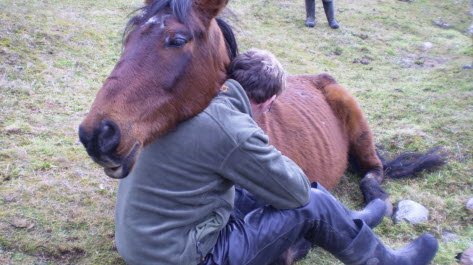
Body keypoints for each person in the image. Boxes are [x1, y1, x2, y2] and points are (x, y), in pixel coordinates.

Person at [114, 48, 439, 265]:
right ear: (268, 101)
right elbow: (297, 192)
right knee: (312, 203)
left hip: (140, 245)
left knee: (249, 189)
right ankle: (386, 261)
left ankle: (354, 223)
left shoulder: (195, 106)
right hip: (188, 257)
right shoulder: (232, 128)